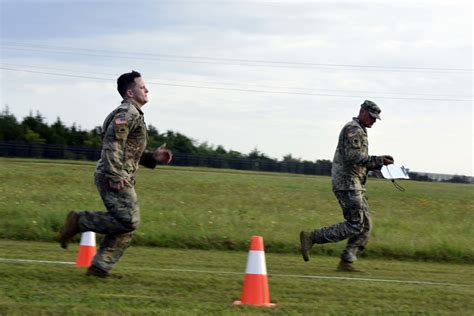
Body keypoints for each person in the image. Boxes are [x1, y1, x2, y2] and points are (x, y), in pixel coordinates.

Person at [59, 70, 172, 278]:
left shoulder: (134, 113)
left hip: (119, 173)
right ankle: (80, 221)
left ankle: (100, 268)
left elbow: (129, 151)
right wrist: (114, 175)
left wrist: (152, 158)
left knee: (124, 225)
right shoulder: (127, 113)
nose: (146, 89)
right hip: (113, 175)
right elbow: (112, 145)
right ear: (129, 92)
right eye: (141, 86)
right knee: (129, 220)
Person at [299, 100, 393, 272]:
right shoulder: (353, 129)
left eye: (375, 118)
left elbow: (360, 162)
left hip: (354, 183)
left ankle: (346, 262)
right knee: (355, 224)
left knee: (365, 225)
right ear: (362, 111)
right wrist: (378, 160)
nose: (373, 121)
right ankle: (312, 237)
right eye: (371, 117)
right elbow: (353, 157)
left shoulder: (361, 130)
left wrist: (379, 164)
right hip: (347, 183)